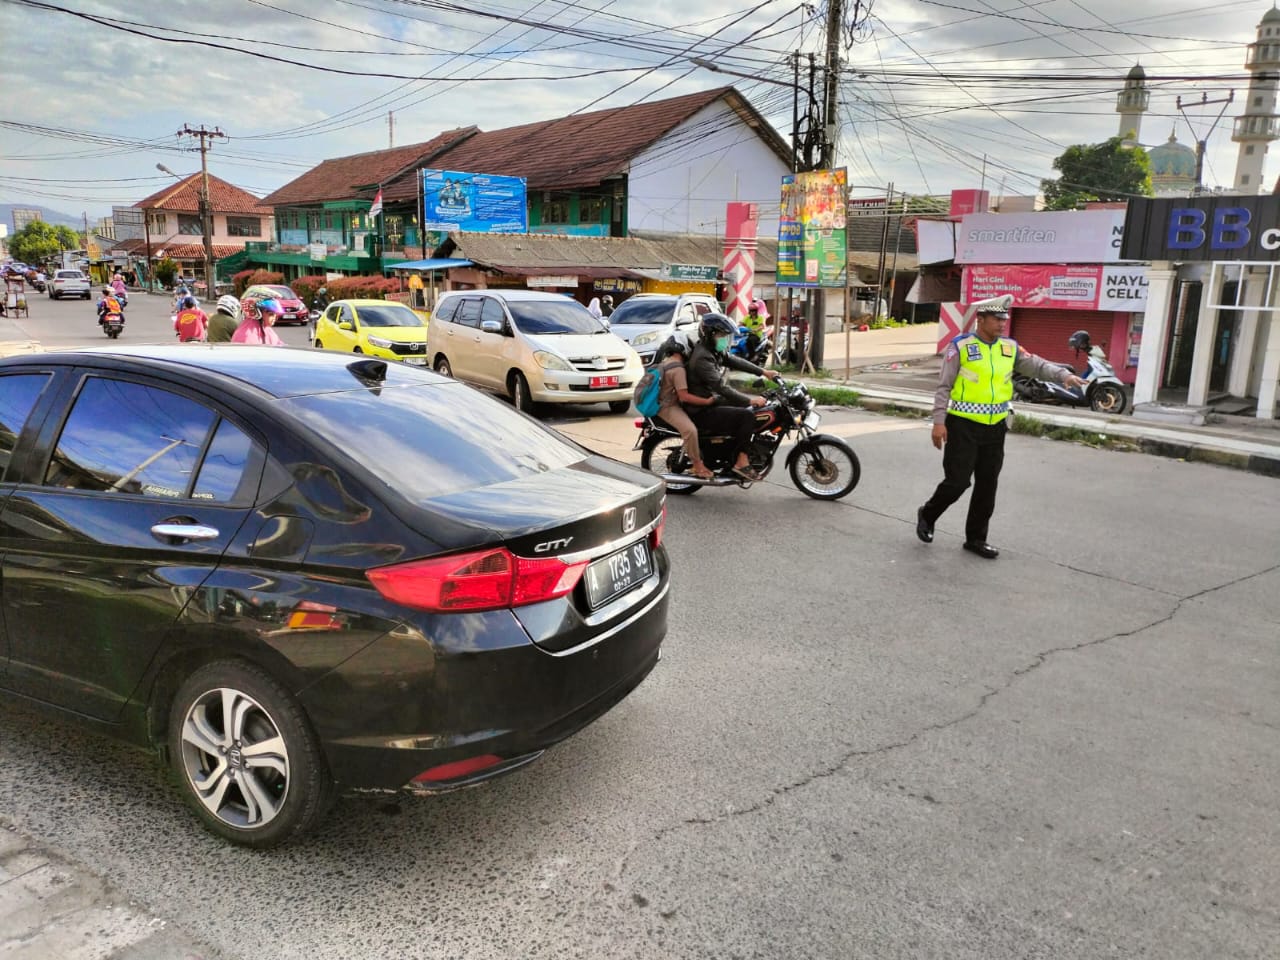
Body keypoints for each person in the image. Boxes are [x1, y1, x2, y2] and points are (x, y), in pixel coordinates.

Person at [915, 294, 1086, 559]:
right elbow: (944, 387)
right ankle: (928, 514)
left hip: (995, 426)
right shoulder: (961, 346)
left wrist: (1064, 375)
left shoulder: (1010, 347)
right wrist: (938, 421)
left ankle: (976, 539)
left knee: (987, 485)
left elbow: (1037, 366)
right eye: (997, 319)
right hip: (962, 425)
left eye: (1004, 319)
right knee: (957, 482)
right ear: (981, 319)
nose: (1002, 324)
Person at [685, 312, 781, 482]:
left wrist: (764, 372)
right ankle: (741, 462)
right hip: (701, 410)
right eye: (722, 335)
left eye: (726, 336)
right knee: (747, 416)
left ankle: (733, 450)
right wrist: (750, 400)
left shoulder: (713, 351)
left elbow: (734, 360)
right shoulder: (702, 358)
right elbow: (721, 387)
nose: (725, 339)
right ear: (709, 335)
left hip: (712, 401)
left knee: (751, 410)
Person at [656, 333, 715, 480]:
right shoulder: (678, 369)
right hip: (667, 407)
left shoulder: (665, 362)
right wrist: (707, 401)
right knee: (690, 430)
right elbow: (684, 396)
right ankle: (697, 465)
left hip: (664, 403)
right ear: (683, 348)